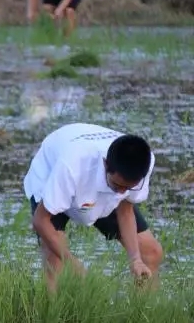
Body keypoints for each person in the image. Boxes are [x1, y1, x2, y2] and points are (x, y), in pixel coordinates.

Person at [23, 123, 163, 292]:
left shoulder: (144, 161)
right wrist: (72, 262)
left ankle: (141, 308)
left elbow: (125, 211)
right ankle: (52, 307)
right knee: (55, 259)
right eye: (118, 185)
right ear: (105, 164)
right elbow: (40, 220)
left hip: (92, 178)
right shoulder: (71, 165)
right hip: (54, 176)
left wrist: (136, 259)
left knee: (150, 252)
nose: (122, 192)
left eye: (129, 188)